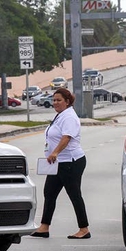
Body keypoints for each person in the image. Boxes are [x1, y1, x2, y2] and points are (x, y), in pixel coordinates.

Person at [31, 87, 90, 239]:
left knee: (74, 194)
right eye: (54, 100)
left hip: (70, 161)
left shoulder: (69, 117)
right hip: (58, 163)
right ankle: (44, 227)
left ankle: (84, 229)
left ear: (67, 102)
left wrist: (55, 152)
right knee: (49, 193)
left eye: (59, 100)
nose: (55, 103)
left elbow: (67, 137)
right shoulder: (60, 115)